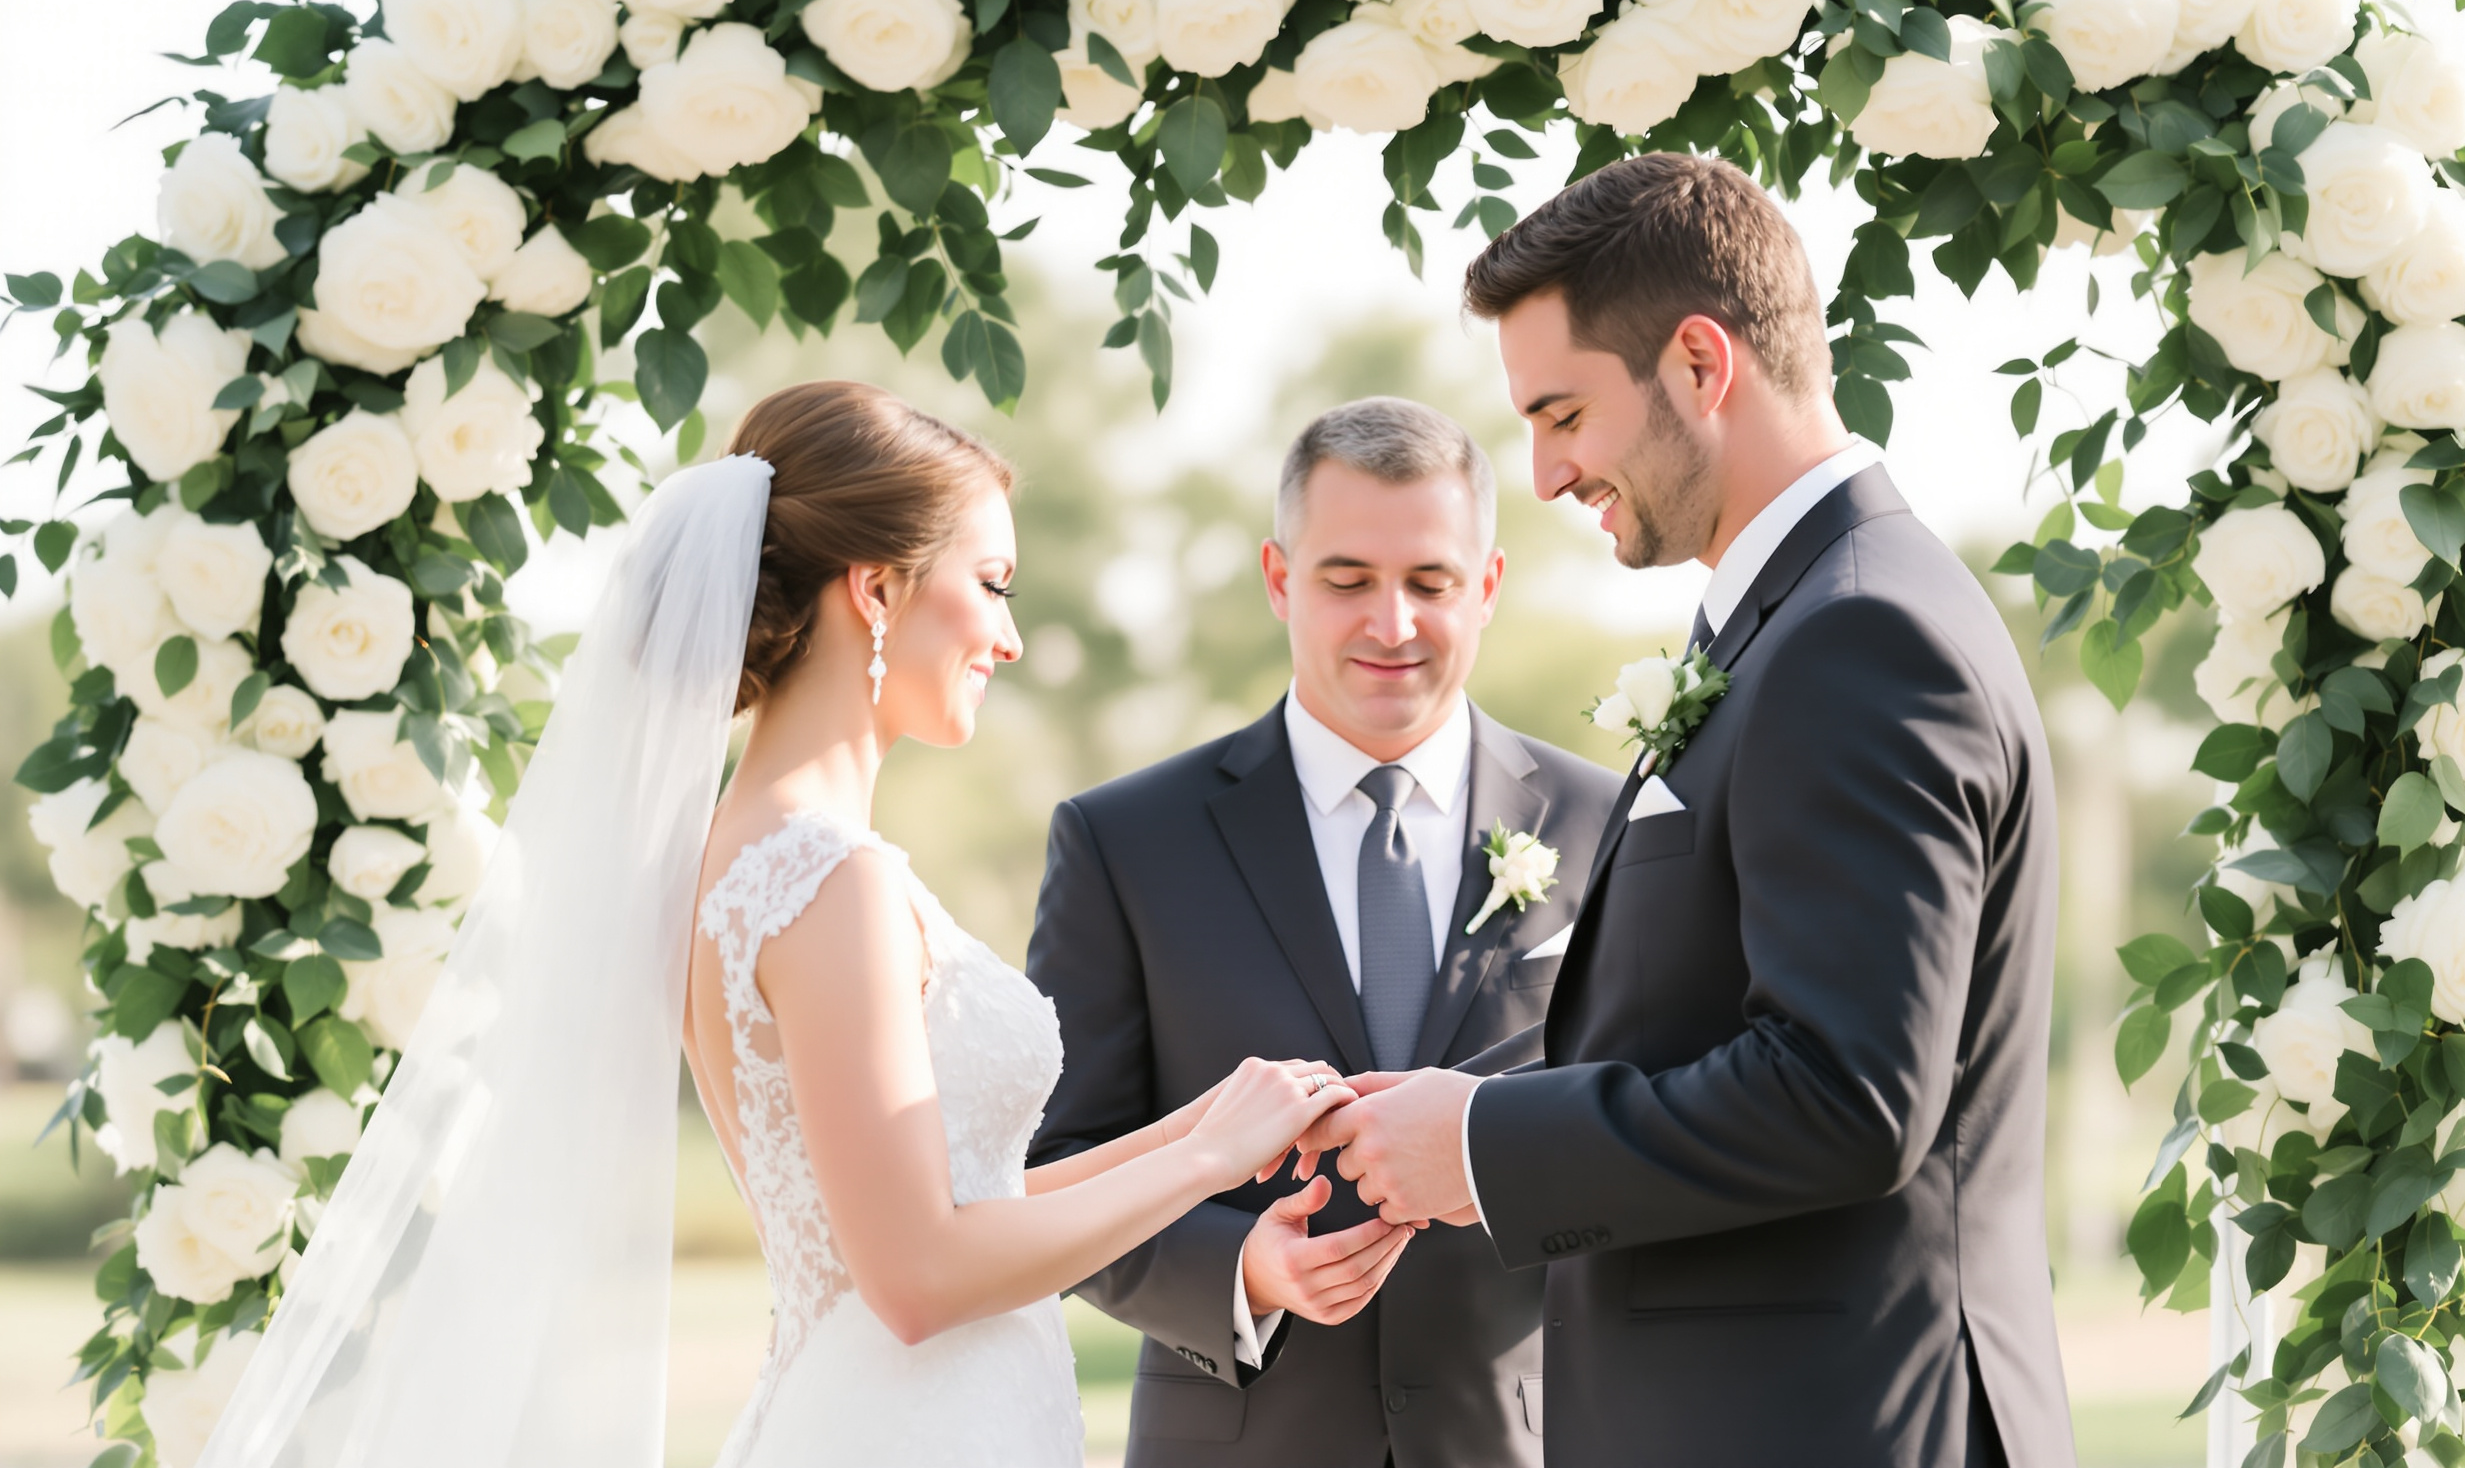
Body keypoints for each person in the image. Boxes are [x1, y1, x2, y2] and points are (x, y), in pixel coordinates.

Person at [193, 381, 1358, 1468]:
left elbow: (958, 1207)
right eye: (992, 584)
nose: (1007, 635)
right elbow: (913, 1278)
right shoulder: (823, 878)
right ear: (876, 588)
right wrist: (1205, 1159)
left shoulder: (752, 854)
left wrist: (1197, 1130)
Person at [1301, 156, 2077, 1467]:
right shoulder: (1801, 621)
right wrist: (1446, 1110)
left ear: (1701, 363)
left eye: (1564, 414)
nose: (1543, 474)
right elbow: (1708, 1021)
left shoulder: (1859, 636)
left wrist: (1484, 1147)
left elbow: (1847, 1094)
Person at [1026, 398, 1621, 1467]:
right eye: (1346, 580)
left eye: (1429, 583)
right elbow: (1058, 1167)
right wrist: (1238, 1269)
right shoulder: (1125, 843)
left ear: (1484, 588)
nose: (1389, 623)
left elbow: (1648, 1119)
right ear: (1277, 579)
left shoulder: (1609, 827)